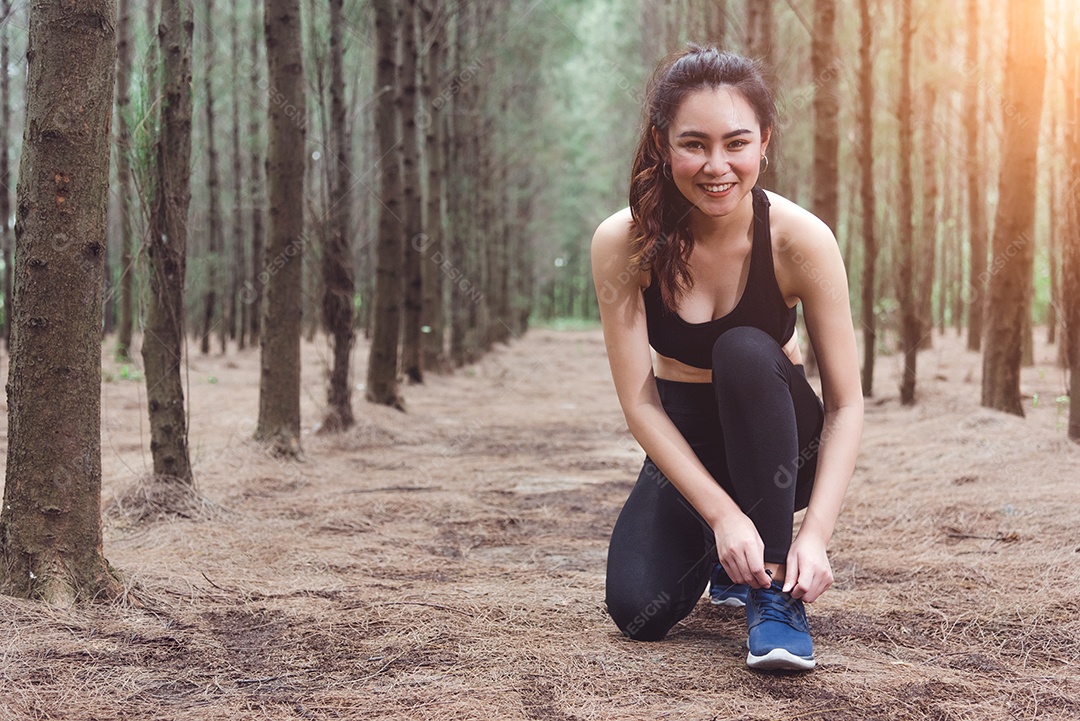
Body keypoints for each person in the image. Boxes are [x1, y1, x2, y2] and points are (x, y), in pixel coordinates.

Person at [590, 45, 863, 672]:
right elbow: (639, 401)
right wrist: (720, 515)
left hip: (785, 436)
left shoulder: (800, 239)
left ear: (764, 142)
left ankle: (773, 597)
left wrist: (814, 537)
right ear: (662, 144)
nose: (717, 166)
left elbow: (847, 404)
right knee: (638, 610)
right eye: (695, 144)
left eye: (736, 143)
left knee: (741, 350)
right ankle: (729, 551)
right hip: (691, 432)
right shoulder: (623, 242)